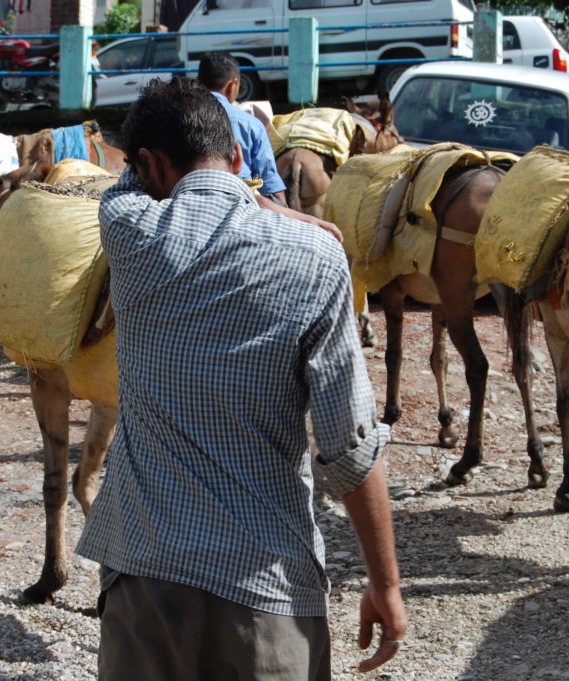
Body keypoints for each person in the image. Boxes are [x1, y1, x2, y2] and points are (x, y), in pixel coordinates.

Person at [75, 77, 407, 680]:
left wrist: (249, 198)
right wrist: (385, 583)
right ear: (237, 159)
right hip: (266, 591)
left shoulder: (125, 229)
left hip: (144, 577)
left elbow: (128, 179)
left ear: (148, 164)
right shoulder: (315, 256)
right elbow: (349, 451)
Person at [197, 52, 288, 205]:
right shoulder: (251, 124)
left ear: (199, 81)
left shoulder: (178, 117)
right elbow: (269, 183)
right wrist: (284, 209)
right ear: (233, 85)